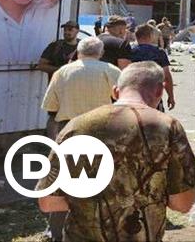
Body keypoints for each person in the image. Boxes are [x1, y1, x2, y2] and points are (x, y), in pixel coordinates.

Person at [37, 61, 195, 242]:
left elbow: (47, 201)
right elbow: (182, 203)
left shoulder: (77, 125)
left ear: (115, 91)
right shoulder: (167, 127)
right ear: (160, 91)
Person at [39, 36, 120, 242]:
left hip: (69, 130)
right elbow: (122, 102)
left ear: (78, 52)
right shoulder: (111, 71)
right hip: (103, 130)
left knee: (64, 181)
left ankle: (56, 232)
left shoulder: (62, 72)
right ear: (100, 53)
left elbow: (51, 107)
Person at [131, 23, 175, 110]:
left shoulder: (130, 52)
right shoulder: (159, 52)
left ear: (136, 36)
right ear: (150, 36)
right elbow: (166, 77)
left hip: (133, 95)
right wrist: (171, 96)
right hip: (154, 95)